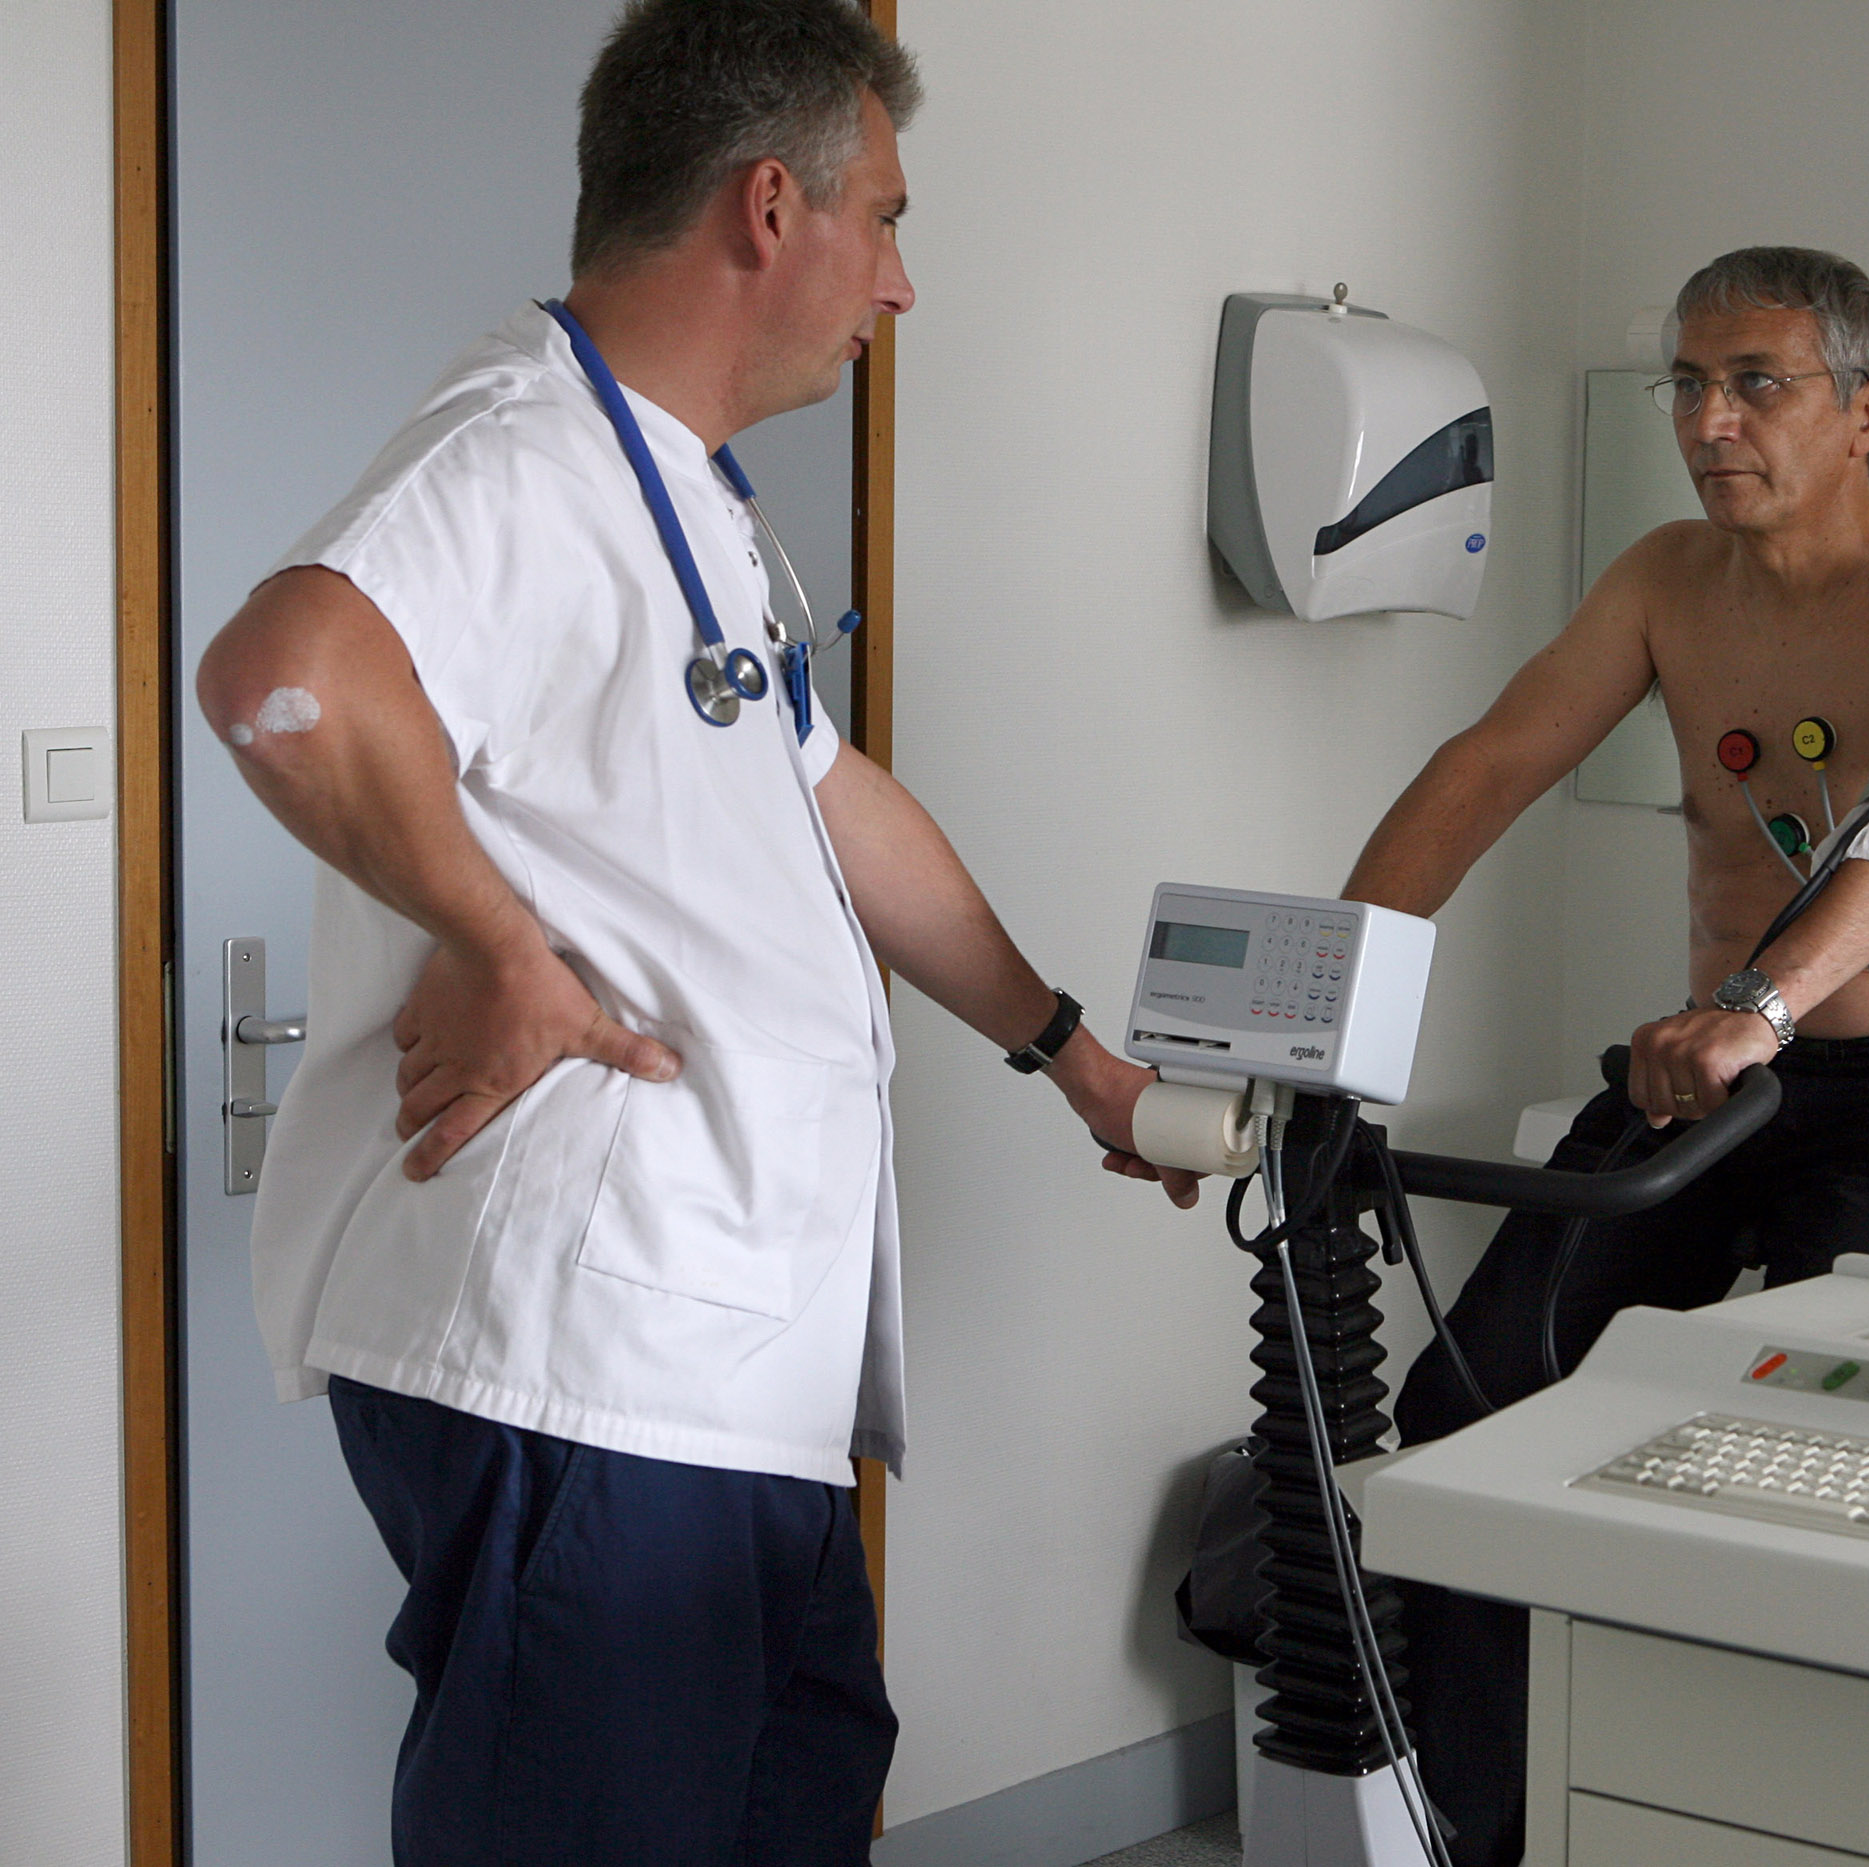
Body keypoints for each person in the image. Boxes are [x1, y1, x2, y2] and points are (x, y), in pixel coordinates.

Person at [193, 4, 1194, 1860]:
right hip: (593, 1381)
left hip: (730, 1384)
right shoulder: (521, 452)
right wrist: (497, 943)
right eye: (883, 219)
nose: (898, 281)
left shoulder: (687, 498)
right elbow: (279, 677)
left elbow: (836, 805)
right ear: (769, 207)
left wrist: (1077, 1060)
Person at [1340, 246, 1869, 1865]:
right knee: (1470, 1401)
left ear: (1864, 411)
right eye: (1688, 383)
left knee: (1796, 1452)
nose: (1708, 419)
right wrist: (1320, 1007)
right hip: (1714, 1083)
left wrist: (1764, 1003)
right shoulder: (1668, 577)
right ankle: (1495, 1835)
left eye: (1756, 384)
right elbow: (1491, 765)